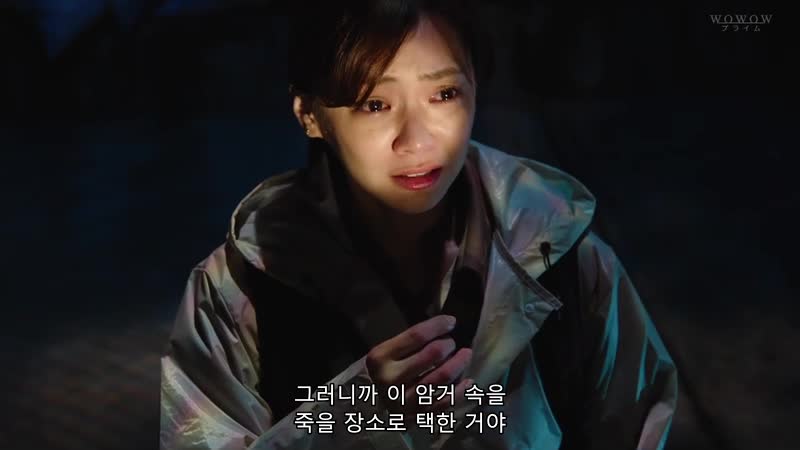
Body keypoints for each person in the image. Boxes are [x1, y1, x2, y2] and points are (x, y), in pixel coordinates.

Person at [159, 1, 678, 449]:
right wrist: (350, 417)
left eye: (444, 94)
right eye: (375, 104)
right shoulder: (238, 289)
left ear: (476, 86)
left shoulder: (563, 258)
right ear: (310, 114)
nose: (416, 140)